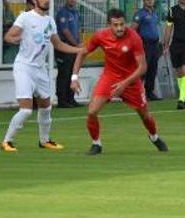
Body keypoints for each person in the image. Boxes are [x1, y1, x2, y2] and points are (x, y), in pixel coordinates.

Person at [71, 8, 168, 155]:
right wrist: (74, 78)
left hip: (131, 80)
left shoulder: (134, 37)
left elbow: (142, 68)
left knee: (144, 114)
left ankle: (154, 137)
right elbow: (82, 53)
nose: (119, 28)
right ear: (109, 25)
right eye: (115, 25)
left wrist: (124, 84)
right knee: (92, 112)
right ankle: (96, 144)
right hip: (109, 78)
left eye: (122, 24)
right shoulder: (100, 36)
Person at [0, 0, 83, 152]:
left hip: (40, 69)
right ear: (34, 0)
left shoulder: (50, 21)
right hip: (24, 68)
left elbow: (58, 44)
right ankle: (7, 141)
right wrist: (19, 39)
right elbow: (8, 36)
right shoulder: (25, 17)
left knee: (46, 107)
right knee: (26, 110)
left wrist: (79, 50)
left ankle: (44, 140)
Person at [131, 0, 162, 101]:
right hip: (145, 44)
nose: (150, 1)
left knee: (153, 69)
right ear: (144, 0)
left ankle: (149, 92)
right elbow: (133, 30)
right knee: (143, 69)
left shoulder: (154, 14)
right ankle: (137, 93)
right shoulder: (140, 14)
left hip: (154, 44)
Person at [55, 0, 82, 108]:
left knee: (73, 73)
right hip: (65, 46)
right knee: (64, 74)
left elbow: (77, 29)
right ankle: (62, 100)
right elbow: (65, 31)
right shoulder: (62, 13)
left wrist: (79, 42)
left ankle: (71, 98)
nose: (72, 0)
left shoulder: (75, 12)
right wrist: (77, 45)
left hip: (74, 47)